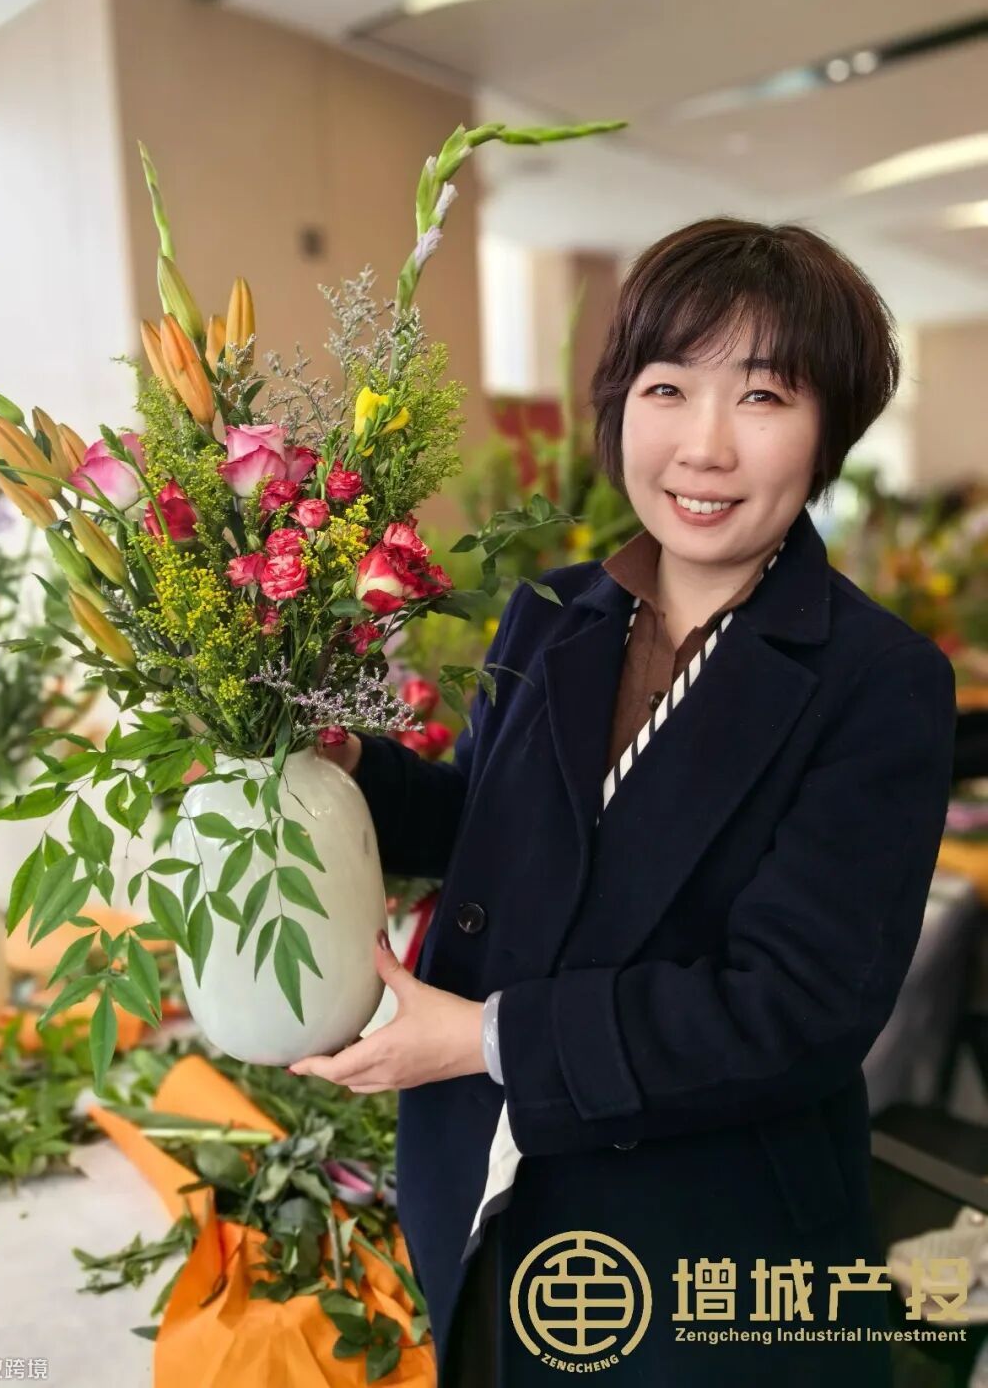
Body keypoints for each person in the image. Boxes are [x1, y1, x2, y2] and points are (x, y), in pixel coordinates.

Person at [289, 217, 957, 1385]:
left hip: (701, 1262)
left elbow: (791, 1007)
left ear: (830, 431)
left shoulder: (878, 680)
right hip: (488, 1198)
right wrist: (343, 765)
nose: (704, 445)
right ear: (619, 405)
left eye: (763, 396)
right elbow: (488, 822)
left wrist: (485, 1037)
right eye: (667, 387)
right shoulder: (557, 612)